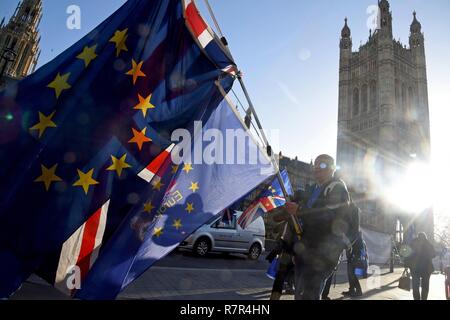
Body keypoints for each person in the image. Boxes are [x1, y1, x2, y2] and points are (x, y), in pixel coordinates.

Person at [276, 154, 353, 300]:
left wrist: (299, 210)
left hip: (323, 254)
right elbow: (305, 222)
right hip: (306, 252)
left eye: (322, 165)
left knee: (309, 295)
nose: (317, 168)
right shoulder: (314, 189)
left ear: (332, 168)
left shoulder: (337, 188)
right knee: (300, 294)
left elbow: (328, 217)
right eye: (315, 165)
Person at [406, 232, 437, 300]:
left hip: (415, 268)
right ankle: (424, 298)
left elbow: (407, 254)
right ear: (425, 237)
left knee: (415, 286)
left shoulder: (413, 243)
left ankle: (417, 299)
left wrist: (407, 264)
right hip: (426, 268)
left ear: (418, 237)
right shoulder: (428, 243)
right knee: (425, 286)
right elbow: (434, 254)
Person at [342, 231, 367, 297]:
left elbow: (361, 252)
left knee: (353, 276)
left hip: (355, 260)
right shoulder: (359, 240)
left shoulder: (358, 240)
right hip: (352, 259)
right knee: (351, 276)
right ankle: (352, 290)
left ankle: (359, 291)